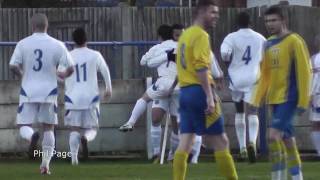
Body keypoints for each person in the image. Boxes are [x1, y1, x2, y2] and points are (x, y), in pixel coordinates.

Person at [173, 1, 238, 180]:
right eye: (213, 12)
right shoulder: (201, 35)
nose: (216, 16)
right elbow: (201, 67)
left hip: (185, 93)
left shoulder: (185, 35)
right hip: (199, 92)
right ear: (201, 12)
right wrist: (209, 97)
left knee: (186, 140)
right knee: (221, 141)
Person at [9, 14, 74, 175]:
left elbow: (12, 66)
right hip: (49, 91)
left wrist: (22, 74)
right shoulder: (57, 44)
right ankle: (45, 165)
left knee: (23, 125)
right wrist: (63, 76)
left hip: (28, 90)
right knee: (49, 128)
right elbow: (71, 67)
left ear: (32, 26)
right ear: (47, 26)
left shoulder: (23, 44)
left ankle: (32, 136)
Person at [251, 5, 311, 180]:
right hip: (274, 100)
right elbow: (265, 74)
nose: (270, 24)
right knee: (287, 140)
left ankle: (278, 177)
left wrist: (303, 100)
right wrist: (257, 97)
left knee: (272, 136)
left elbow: (304, 71)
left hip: (289, 98)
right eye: (267, 21)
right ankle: (297, 176)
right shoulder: (268, 43)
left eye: (273, 20)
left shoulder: (295, 41)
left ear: (283, 20)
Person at [61, 28, 112, 165]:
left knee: (74, 128)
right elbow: (105, 70)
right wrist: (108, 88)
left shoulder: (67, 56)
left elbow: (60, 75)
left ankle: (74, 159)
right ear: (86, 39)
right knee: (92, 128)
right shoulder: (95, 55)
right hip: (91, 98)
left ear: (73, 41)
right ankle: (86, 138)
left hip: (73, 98)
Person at [220, 11, 266, 162]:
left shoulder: (231, 37)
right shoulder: (260, 38)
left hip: (236, 79)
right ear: (251, 23)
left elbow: (224, 54)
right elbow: (267, 55)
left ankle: (242, 149)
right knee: (253, 111)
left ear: (237, 24)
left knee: (239, 112)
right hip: (254, 78)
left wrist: (229, 65)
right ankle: (252, 141)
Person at [310, 34, 320, 157]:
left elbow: (311, 79)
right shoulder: (312, 59)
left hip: (317, 95)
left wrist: (309, 95)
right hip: (317, 95)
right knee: (316, 124)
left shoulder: (313, 59)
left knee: (316, 124)